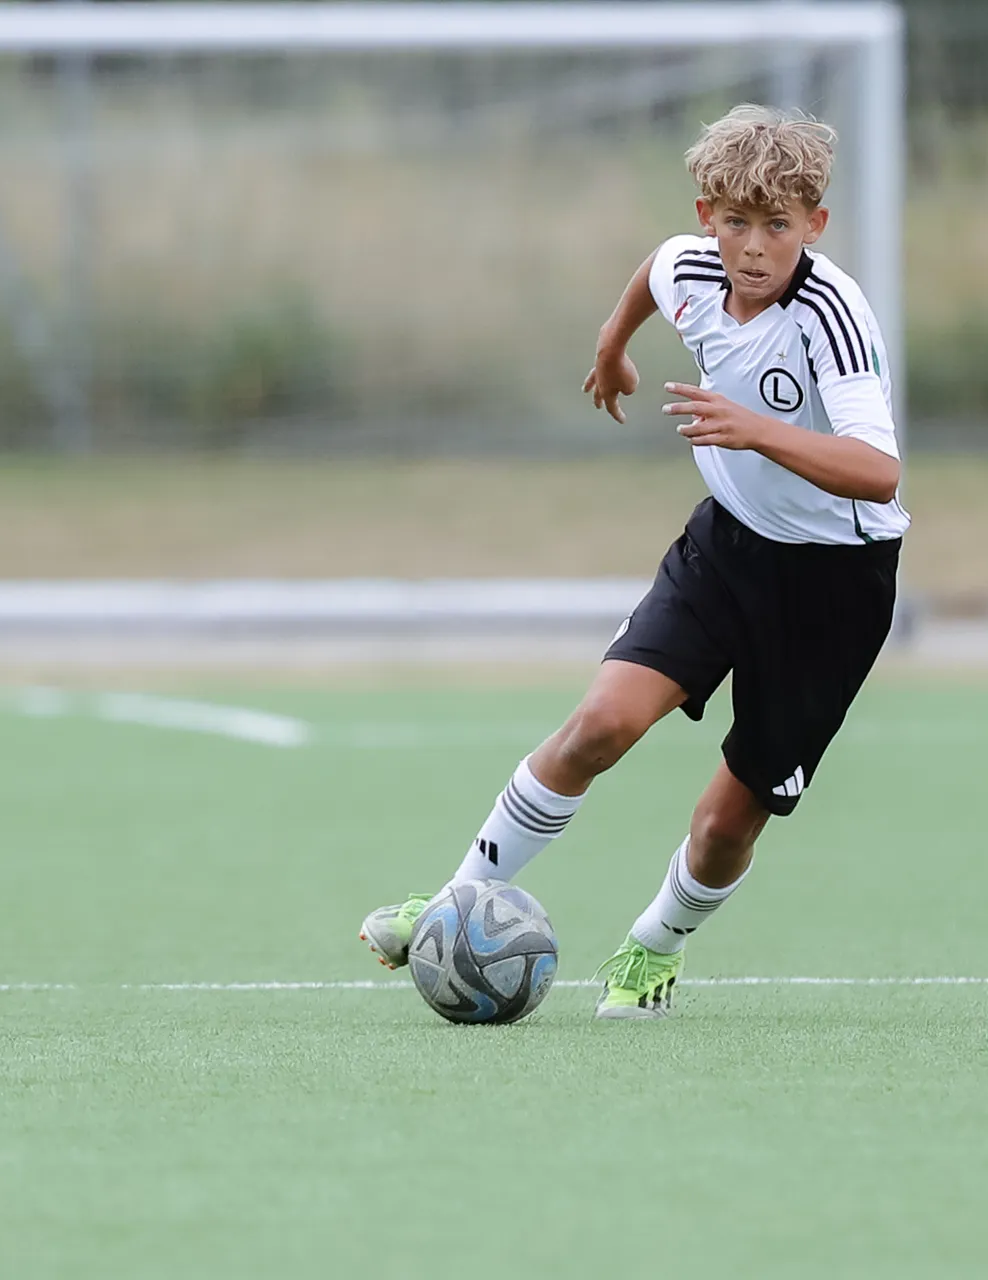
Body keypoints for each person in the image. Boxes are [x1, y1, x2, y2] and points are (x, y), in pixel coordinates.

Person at [360, 104, 910, 1018]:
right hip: (727, 547)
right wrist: (611, 350)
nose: (755, 246)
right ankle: (450, 905)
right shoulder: (688, 264)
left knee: (728, 821)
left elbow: (880, 472)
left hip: (835, 588)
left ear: (814, 224)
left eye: (779, 225)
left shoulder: (831, 316)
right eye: (736, 222)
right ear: (708, 217)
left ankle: (655, 946)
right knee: (599, 726)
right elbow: (652, 280)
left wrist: (756, 432)